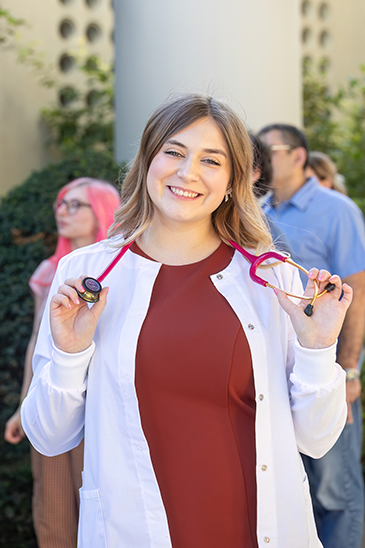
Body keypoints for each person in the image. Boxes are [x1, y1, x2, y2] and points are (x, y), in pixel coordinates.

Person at [21, 94, 350, 548]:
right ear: (147, 161)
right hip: (132, 532)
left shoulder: (275, 278)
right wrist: (69, 355)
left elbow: (316, 439)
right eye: (173, 152)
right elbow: (48, 435)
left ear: (235, 180)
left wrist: (318, 349)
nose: (187, 173)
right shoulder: (87, 273)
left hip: (258, 532)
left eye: (211, 161)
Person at [258, 123, 365, 548]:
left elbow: (357, 294)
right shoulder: (256, 211)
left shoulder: (337, 209)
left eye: (271, 152)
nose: (262, 162)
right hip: (278, 373)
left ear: (298, 156)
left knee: (334, 492)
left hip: (327, 371)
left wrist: (350, 370)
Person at [5, 177, 120, 548]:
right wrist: (25, 405)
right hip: (54, 394)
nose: (63, 212)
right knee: (54, 513)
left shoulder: (125, 268)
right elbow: (37, 344)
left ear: (102, 210)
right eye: (61, 203)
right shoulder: (49, 269)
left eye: (76, 205)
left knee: (107, 512)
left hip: (106, 404)